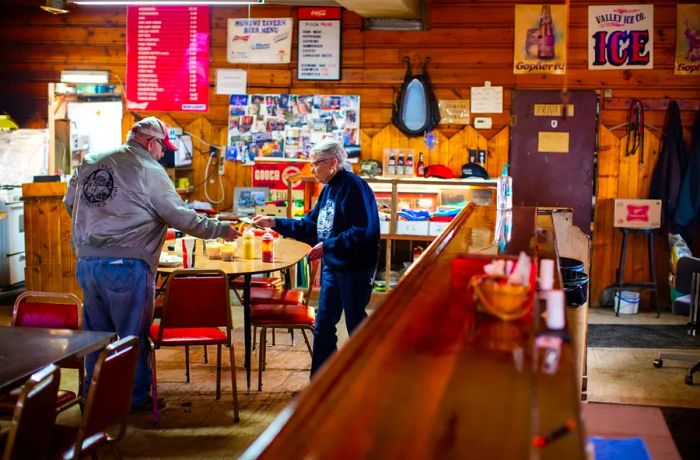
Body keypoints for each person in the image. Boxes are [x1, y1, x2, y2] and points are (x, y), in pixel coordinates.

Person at [63, 116, 239, 411]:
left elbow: (71, 202)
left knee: (96, 337)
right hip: (127, 266)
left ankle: (92, 398)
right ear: (150, 142)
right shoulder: (149, 169)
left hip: (87, 263)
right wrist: (219, 230)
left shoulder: (91, 161)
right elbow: (181, 217)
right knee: (132, 337)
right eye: (162, 147)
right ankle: (133, 401)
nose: (163, 154)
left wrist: (98, 231)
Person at [253, 138, 380, 375]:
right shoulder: (328, 189)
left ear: (332, 162)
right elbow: (309, 226)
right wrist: (274, 222)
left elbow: (364, 231)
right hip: (334, 265)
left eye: (316, 164)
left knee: (356, 327)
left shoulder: (353, 186)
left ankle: (368, 383)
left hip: (355, 267)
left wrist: (328, 245)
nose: (312, 169)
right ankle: (321, 386)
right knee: (323, 326)